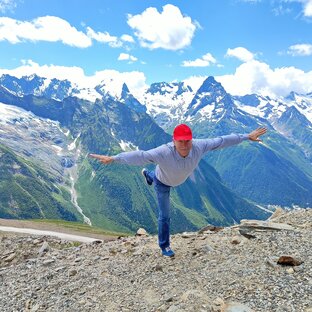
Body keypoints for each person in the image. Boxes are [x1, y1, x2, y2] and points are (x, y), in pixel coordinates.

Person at [89, 124, 267, 257]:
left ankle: (148, 175)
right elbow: (140, 156)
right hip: (163, 183)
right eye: (180, 141)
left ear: (191, 139)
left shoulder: (199, 145)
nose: (184, 144)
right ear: (173, 141)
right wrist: (113, 158)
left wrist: (246, 136)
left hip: (178, 179)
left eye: (187, 140)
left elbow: (222, 140)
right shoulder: (163, 152)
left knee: (156, 175)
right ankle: (164, 246)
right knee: (164, 215)